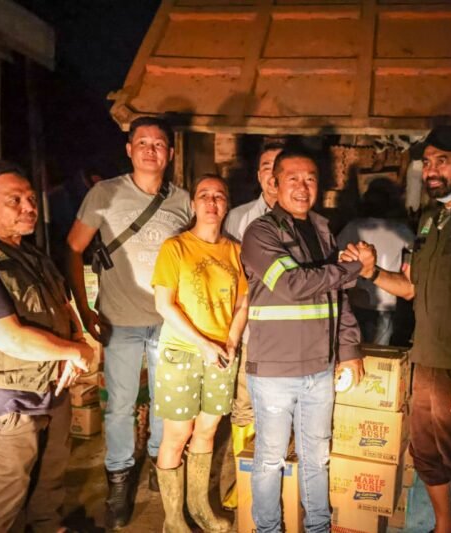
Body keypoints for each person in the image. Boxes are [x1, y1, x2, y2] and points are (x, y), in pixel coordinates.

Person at [346, 125, 451, 533]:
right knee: (424, 453)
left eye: (443, 161)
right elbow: (411, 288)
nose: (432, 170)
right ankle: (444, 526)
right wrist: (372, 273)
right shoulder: (428, 221)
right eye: (427, 162)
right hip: (424, 360)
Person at [0, 161, 95, 533]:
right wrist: (74, 352)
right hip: (1, 402)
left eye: (30, 199)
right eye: (14, 200)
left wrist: (76, 341)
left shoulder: (30, 255)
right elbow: (8, 337)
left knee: (46, 491)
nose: (29, 207)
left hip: (46, 390)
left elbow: (63, 307)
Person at [66, 116, 192, 528]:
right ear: (129, 149)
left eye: (158, 144)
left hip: (169, 321)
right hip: (118, 319)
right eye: (142, 142)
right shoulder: (105, 194)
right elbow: (74, 248)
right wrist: (84, 308)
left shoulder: (184, 201)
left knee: (165, 399)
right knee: (119, 405)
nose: (150, 150)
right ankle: (119, 480)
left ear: (170, 152)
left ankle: (159, 461)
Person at [240, 147, 365, 533]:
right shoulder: (260, 232)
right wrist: (350, 269)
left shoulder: (324, 230)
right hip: (274, 373)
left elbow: (337, 297)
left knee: (317, 458)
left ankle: (318, 528)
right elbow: (292, 285)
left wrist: (349, 349)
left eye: (310, 178)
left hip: (320, 370)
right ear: (274, 184)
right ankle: (268, 529)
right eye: (292, 178)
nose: (302, 186)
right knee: (270, 460)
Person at [151, 175, 248, 532]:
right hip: (182, 353)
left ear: (226, 205)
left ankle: (200, 508)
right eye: (204, 195)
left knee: (207, 432)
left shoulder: (236, 251)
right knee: (177, 435)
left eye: (219, 196)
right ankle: (174, 519)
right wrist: (204, 344)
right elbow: (164, 304)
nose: (211, 201)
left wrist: (232, 341)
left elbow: (242, 302)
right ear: (193, 204)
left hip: (222, 355)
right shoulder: (175, 247)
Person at [222, 141, 283, 508]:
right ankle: (244, 483)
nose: (272, 173)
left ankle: (279, 482)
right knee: (244, 406)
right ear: (259, 175)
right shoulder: (237, 218)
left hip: (291, 336)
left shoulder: (306, 218)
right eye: (266, 166)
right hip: (249, 331)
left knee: (284, 408)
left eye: (279, 165)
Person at [337, 178, 414, 345]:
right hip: (388, 303)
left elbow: (337, 256)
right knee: (379, 353)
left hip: (360, 301)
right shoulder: (401, 230)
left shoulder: (353, 227)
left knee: (356, 348)